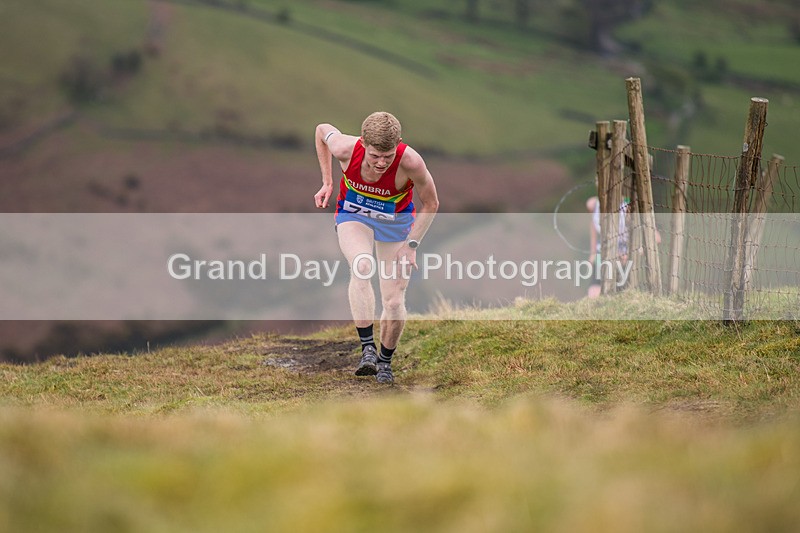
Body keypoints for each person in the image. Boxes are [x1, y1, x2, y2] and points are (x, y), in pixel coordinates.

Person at [314, 112, 439, 384]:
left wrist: (411, 245)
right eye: (374, 156)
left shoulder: (411, 162)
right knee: (361, 265)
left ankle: (384, 361)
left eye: (388, 155)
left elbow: (431, 204)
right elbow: (322, 129)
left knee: (393, 301)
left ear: (399, 144)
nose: (381, 163)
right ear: (363, 144)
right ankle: (367, 349)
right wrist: (327, 182)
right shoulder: (345, 148)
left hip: (395, 225)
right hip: (354, 216)